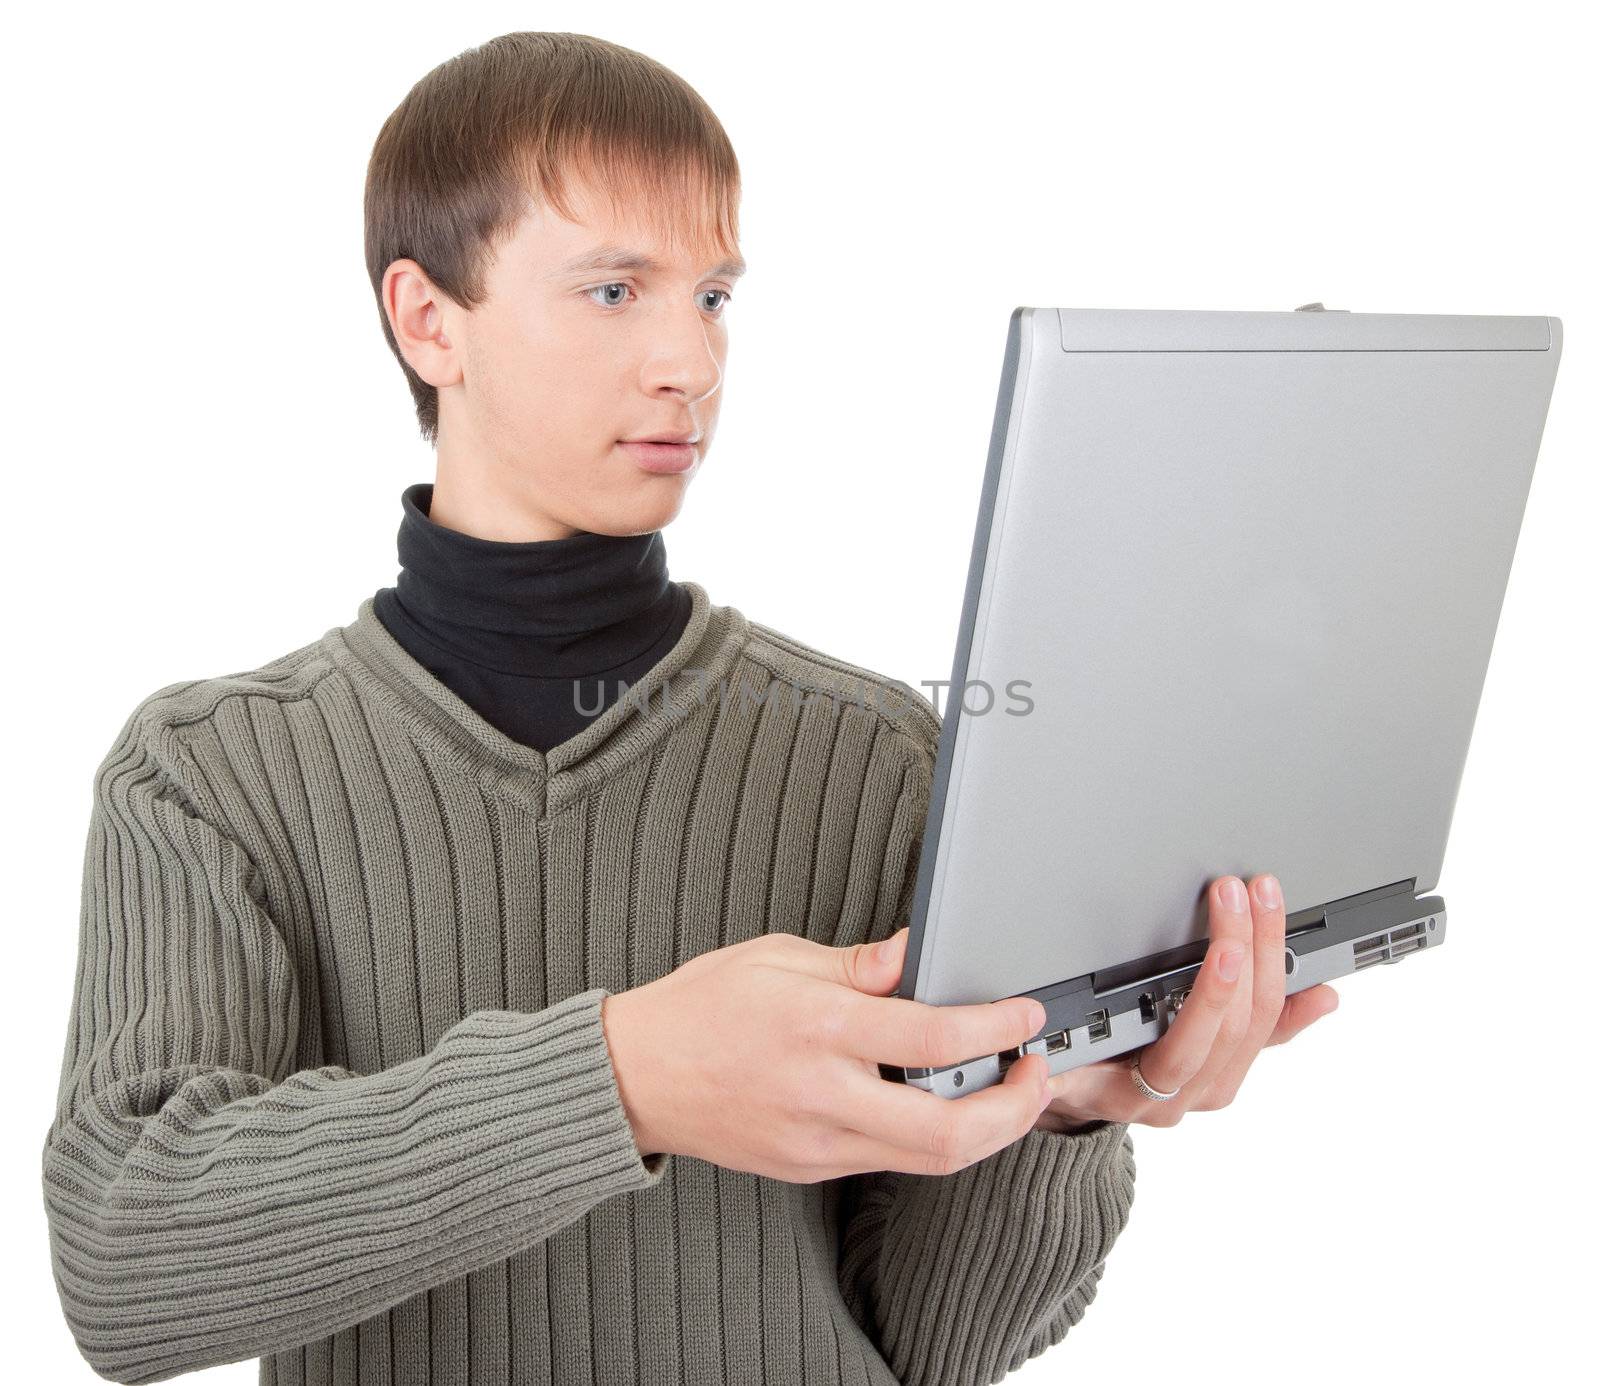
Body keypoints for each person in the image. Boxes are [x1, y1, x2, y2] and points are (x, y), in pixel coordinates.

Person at [39, 30, 1338, 1386]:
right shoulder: (209, 776)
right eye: (614, 290)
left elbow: (940, 1344)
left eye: (713, 296)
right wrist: (625, 1076)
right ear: (430, 320)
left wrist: (1058, 1104)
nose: (690, 362)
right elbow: (126, 1269)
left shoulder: (878, 758)